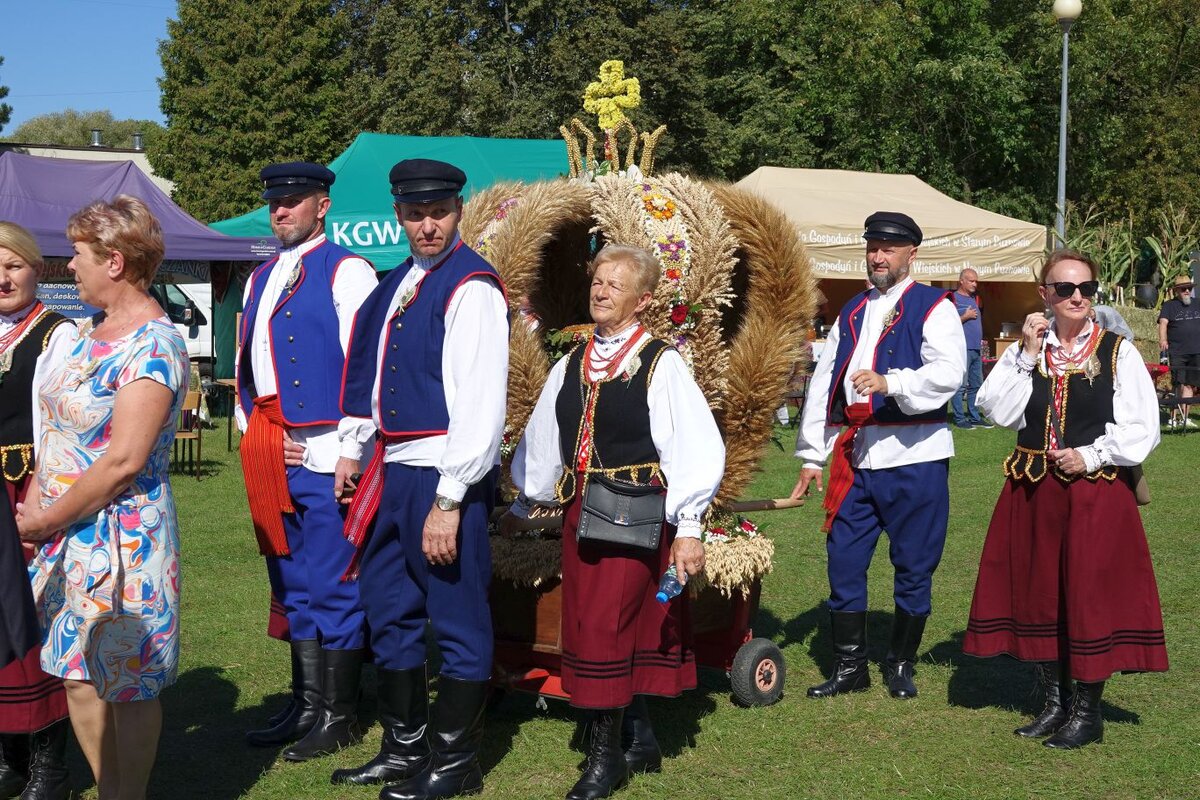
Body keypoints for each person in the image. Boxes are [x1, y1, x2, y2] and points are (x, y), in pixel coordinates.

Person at [502, 244, 725, 800]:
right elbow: (543, 443)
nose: (601, 292)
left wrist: (689, 527)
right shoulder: (570, 363)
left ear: (642, 300)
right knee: (596, 626)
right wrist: (524, 506)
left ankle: (605, 760)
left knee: (607, 628)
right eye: (597, 281)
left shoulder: (660, 364)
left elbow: (694, 446)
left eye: (615, 285)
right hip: (583, 514)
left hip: (635, 514)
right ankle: (639, 738)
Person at [333, 159, 508, 800]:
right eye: (415, 214)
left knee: (457, 616)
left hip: (441, 473)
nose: (427, 225)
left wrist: (450, 498)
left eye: (438, 213)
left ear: (458, 211)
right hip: (390, 468)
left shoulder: (472, 286)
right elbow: (369, 373)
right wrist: (352, 448)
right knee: (388, 609)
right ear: (398, 216)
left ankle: (456, 763)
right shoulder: (396, 283)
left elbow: (481, 406)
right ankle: (404, 746)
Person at [16, 197, 189, 799]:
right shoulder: (85, 334)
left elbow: (124, 462)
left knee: (127, 681)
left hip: (122, 539)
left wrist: (46, 520)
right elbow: (56, 433)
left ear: (114, 261)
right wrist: (39, 508)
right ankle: (107, 786)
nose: (69, 267)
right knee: (77, 676)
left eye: (78, 255)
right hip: (65, 534)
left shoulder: (154, 346)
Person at [964, 249, 1167, 749]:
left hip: (1096, 493)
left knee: (1088, 595)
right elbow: (995, 411)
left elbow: (1143, 428)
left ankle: (1087, 712)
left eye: (1086, 289)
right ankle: (1055, 703)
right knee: (1042, 593)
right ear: (1045, 294)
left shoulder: (1117, 351)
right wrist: (1026, 354)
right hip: (1034, 490)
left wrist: (1092, 455)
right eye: (1065, 288)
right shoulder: (1028, 350)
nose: (1077, 297)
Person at [790, 211, 965, 701]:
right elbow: (825, 382)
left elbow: (950, 372)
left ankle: (900, 663)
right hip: (858, 457)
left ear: (912, 254)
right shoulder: (851, 310)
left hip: (916, 455)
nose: (878, 257)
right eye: (872, 247)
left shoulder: (934, 306)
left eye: (889, 248)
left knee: (914, 566)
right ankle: (850, 667)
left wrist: (893, 382)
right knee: (844, 560)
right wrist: (813, 455)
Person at [235, 162, 378, 759]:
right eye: (275, 202)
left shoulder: (348, 270)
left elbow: (366, 366)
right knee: (291, 582)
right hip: (274, 446)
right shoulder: (258, 277)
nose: (281, 211)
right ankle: (307, 702)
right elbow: (247, 366)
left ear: (323, 205)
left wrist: (350, 448)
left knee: (333, 581)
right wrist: (256, 433)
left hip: (328, 452)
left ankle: (340, 713)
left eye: (294, 200)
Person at [0, 222, 76, 800]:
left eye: (13, 266)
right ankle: (10, 757)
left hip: (29, 490)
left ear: (37, 269)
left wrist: (43, 498)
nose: (2, 279)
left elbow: (62, 425)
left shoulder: (58, 333)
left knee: (36, 615)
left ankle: (50, 766)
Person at [950, 268, 991, 429]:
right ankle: (960, 419)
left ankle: (974, 417)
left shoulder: (975, 298)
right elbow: (947, 323)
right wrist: (965, 317)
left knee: (976, 384)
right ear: (961, 281)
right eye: (971, 281)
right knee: (960, 385)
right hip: (962, 349)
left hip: (976, 348)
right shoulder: (953, 298)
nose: (975, 284)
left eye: (976, 281)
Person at [1157, 275, 1200, 427]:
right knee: (1177, 384)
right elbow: (1163, 323)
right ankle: (1173, 418)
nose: (1187, 291)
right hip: (1177, 351)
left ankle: (1185, 418)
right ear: (1177, 291)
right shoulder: (1169, 306)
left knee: (1190, 385)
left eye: (1189, 288)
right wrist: (1163, 339)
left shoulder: (1198, 303)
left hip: (1196, 351)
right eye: (1183, 289)